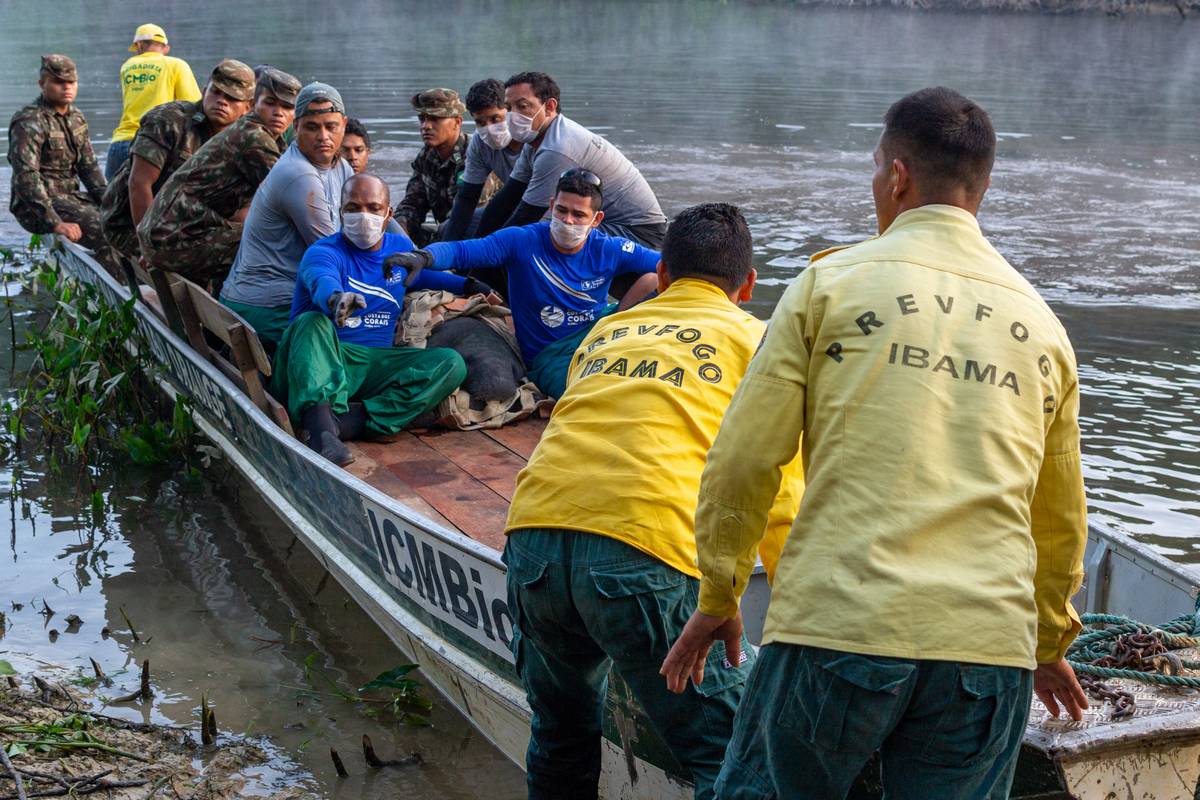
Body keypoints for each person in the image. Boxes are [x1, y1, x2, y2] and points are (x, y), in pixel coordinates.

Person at [660, 87, 1090, 800]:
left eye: (874, 170)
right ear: (981, 187)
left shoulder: (829, 283)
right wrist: (1047, 642)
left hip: (841, 625)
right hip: (986, 653)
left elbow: (743, 459)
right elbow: (1060, 519)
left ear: (897, 178)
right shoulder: (1043, 327)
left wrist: (718, 593)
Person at [503, 203, 804, 800]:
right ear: (747, 286)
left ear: (661, 275)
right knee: (733, 756)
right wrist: (799, 624)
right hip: (644, 552)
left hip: (532, 538)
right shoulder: (756, 341)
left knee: (560, 734)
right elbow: (779, 491)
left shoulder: (606, 332)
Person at [270, 174, 488, 466]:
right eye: (353, 208)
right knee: (312, 322)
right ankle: (321, 431)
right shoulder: (323, 252)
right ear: (340, 213)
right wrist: (336, 300)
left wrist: (473, 287)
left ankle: (350, 423)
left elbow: (427, 276)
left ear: (388, 214)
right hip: (320, 360)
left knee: (450, 363)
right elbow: (321, 279)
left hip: (373, 362)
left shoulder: (398, 251)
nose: (364, 216)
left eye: (373, 208)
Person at [385, 170, 660, 399]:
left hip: (601, 331)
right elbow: (464, 251)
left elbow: (665, 263)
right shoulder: (522, 241)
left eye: (579, 215)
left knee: (652, 280)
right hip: (551, 354)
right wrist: (424, 256)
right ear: (551, 206)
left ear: (596, 220)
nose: (568, 221)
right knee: (591, 396)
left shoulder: (610, 247)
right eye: (562, 210)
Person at [137, 67, 300, 287]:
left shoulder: (266, 136)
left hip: (174, 234)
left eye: (287, 107)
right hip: (172, 240)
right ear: (253, 105)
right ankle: (252, 311)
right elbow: (292, 198)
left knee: (264, 233)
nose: (278, 112)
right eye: (270, 103)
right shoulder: (254, 137)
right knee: (276, 244)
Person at [219, 82, 353, 348]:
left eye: (331, 126)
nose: (323, 136)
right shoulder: (299, 174)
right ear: (297, 127)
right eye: (312, 127)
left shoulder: (341, 166)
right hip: (266, 308)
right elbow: (331, 252)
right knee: (361, 340)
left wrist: (417, 255)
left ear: (344, 125)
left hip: (282, 299)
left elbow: (376, 216)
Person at [476, 72, 667, 250]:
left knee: (547, 231)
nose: (513, 116)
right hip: (602, 224)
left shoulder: (557, 148)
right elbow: (506, 199)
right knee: (495, 225)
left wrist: (484, 259)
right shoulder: (534, 141)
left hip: (637, 233)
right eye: (509, 108)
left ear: (549, 107)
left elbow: (526, 217)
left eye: (523, 106)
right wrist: (476, 245)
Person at [101, 59, 255, 260]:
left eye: (232, 98)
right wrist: (148, 247)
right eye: (215, 92)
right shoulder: (169, 120)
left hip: (184, 225)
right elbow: (139, 183)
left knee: (251, 241)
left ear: (248, 107)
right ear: (204, 90)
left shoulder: (244, 140)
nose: (222, 101)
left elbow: (244, 206)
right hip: (131, 224)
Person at [8, 55, 119, 274]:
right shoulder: (30, 121)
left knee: (121, 223)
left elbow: (89, 168)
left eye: (71, 83)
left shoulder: (76, 117)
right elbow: (26, 177)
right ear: (42, 84)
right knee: (103, 230)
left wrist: (112, 205)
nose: (66, 88)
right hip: (36, 206)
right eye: (59, 82)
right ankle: (121, 293)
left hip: (71, 198)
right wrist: (55, 223)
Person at [106, 24, 202, 179]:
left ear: (138, 45)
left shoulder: (127, 66)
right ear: (166, 48)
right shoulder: (176, 65)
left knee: (112, 201)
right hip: (155, 144)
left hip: (120, 143)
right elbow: (194, 106)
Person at [439, 78, 524, 242]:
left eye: (496, 118)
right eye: (480, 122)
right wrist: (446, 248)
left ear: (509, 110)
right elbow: (467, 198)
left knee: (505, 238)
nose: (489, 128)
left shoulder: (531, 140)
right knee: (447, 229)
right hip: (512, 207)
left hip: (548, 209)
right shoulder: (480, 143)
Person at [392, 88, 473, 247]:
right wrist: (400, 227)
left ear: (457, 122)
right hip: (445, 235)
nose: (426, 126)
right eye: (422, 119)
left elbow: (466, 218)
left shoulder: (474, 156)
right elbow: (413, 202)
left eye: (435, 119)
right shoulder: (427, 156)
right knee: (390, 228)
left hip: (476, 239)